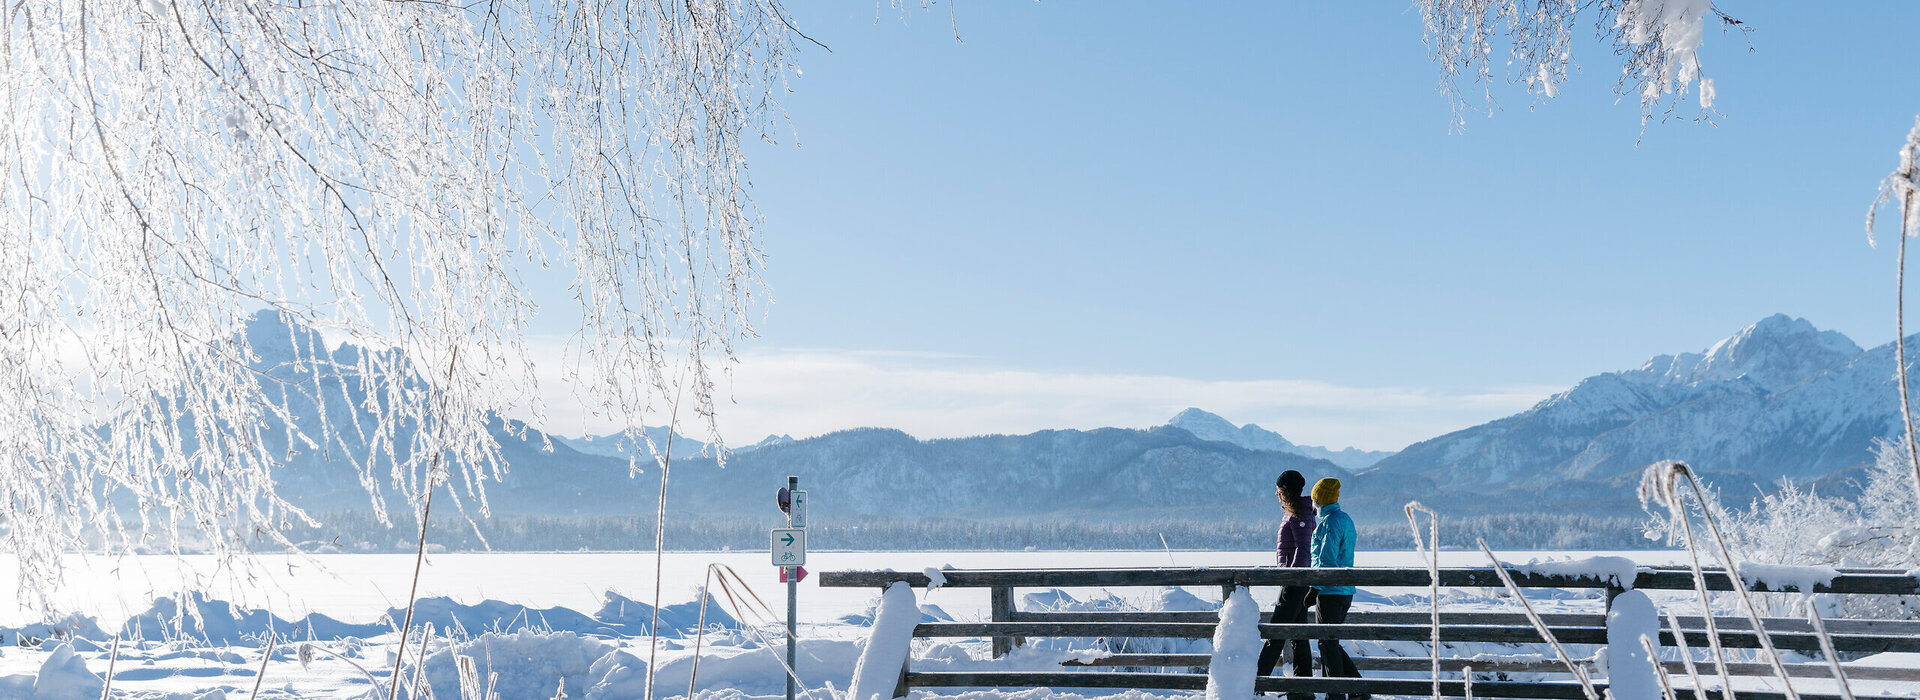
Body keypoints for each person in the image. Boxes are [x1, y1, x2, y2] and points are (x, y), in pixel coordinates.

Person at [1255, 470, 1316, 699]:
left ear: (1286, 491)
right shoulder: (1296, 512)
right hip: (1296, 580)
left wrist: (1292, 578)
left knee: (1277, 633)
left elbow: (1303, 549)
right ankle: (1303, 690)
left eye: (1279, 490)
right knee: (1298, 635)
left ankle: (1255, 683)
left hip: (1295, 582)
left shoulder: (1300, 513)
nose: (1277, 494)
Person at [1310, 477, 1366, 700]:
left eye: (1314, 499)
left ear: (1320, 500)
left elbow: (1326, 559)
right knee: (1330, 642)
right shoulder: (1345, 519)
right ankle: (1357, 690)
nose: (1312, 504)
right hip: (1344, 591)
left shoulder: (1329, 523)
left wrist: (1315, 587)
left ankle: (1336, 695)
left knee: (1326, 642)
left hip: (1330, 591)